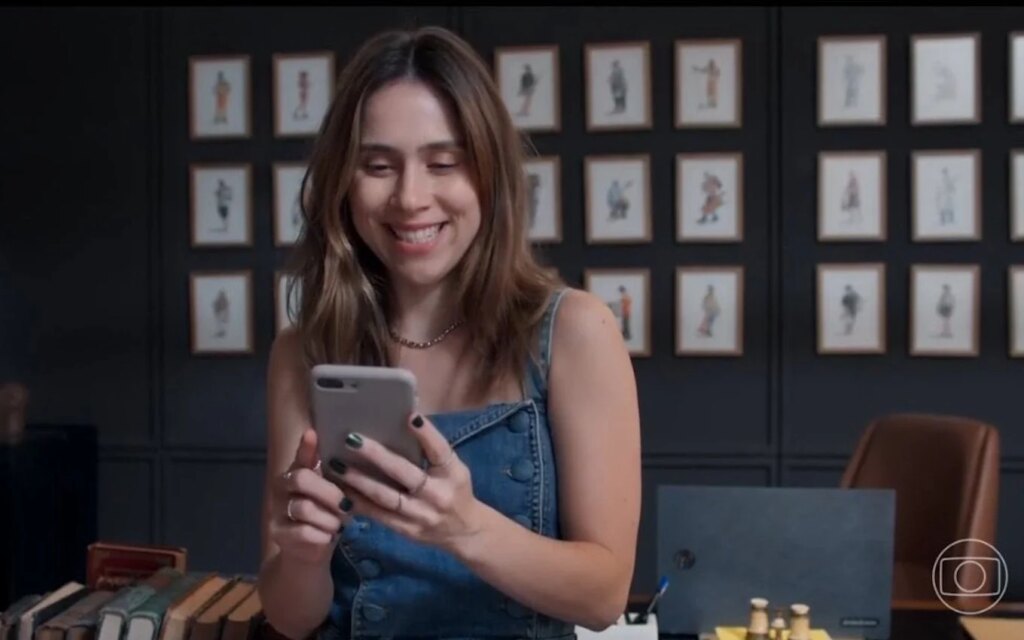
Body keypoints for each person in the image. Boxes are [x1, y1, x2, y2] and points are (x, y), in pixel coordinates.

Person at [257, 26, 641, 640]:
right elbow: (289, 615)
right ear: (342, 183)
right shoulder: (301, 351)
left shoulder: (575, 331)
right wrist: (302, 556)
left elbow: (603, 597)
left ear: (490, 177)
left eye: (443, 163)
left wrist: (466, 529)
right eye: (377, 166)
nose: (410, 197)